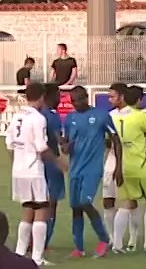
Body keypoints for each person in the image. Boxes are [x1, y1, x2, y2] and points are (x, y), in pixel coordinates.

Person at [7, 82, 68, 266]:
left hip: (19, 170)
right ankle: (37, 257)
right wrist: (58, 162)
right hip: (34, 169)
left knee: (27, 210)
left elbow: (9, 144)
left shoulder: (17, 116)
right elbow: (41, 147)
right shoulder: (38, 118)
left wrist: (17, 163)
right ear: (41, 97)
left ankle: (19, 254)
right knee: (41, 210)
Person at [65, 86, 120, 258]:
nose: (76, 104)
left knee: (85, 202)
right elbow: (67, 143)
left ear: (86, 97)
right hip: (75, 169)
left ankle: (104, 239)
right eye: (73, 101)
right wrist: (65, 147)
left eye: (79, 100)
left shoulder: (101, 116)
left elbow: (116, 139)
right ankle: (79, 248)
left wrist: (118, 166)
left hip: (92, 169)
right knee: (76, 207)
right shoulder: (70, 118)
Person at [113, 85, 146, 253]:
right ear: (138, 100)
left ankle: (117, 245)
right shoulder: (140, 116)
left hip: (122, 166)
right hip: (140, 165)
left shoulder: (113, 116)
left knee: (126, 204)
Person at [40, 84, 67, 255]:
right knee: (51, 204)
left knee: (35, 203)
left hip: (35, 163)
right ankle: (43, 241)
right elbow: (60, 140)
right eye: (58, 95)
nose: (60, 98)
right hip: (51, 163)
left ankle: (32, 240)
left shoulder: (36, 114)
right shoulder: (52, 116)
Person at [100, 83, 128, 249]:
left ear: (122, 96)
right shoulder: (109, 115)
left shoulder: (133, 115)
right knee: (108, 201)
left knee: (126, 202)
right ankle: (112, 238)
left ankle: (123, 240)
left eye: (112, 96)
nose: (109, 100)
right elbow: (107, 141)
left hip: (126, 161)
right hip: (110, 161)